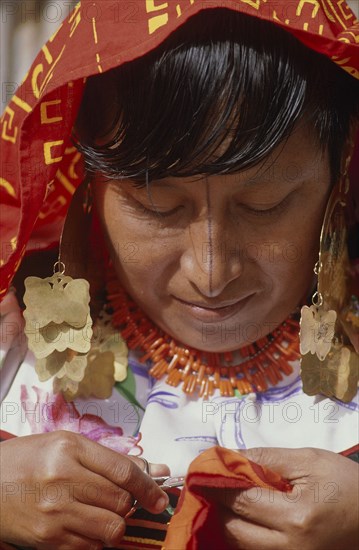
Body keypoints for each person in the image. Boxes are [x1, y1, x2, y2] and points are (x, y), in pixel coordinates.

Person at [0, 1, 358, 548]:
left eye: (264, 205)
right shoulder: (12, 344)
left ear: (342, 178)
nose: (211, 273)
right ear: (85, 186)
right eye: (157, 208)